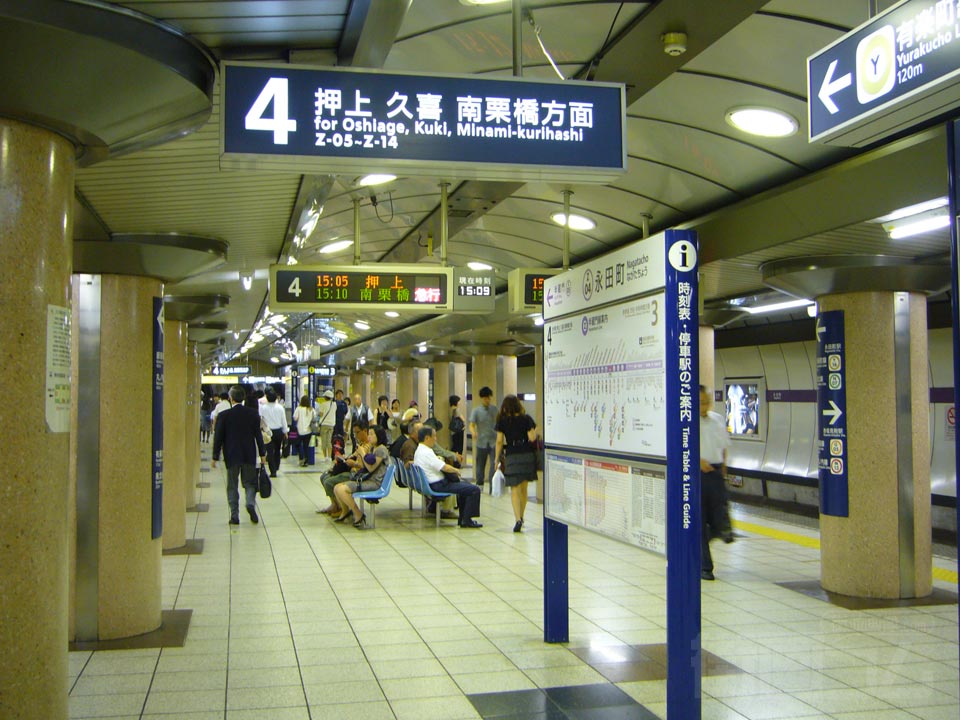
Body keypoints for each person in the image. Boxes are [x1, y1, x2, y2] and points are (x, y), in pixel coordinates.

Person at [211, 385, 267, 525]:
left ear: (231, 398)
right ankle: (250, 503)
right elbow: (258, 435)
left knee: (232, 485)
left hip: (231, 455)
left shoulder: (224, 415)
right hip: (248, 454)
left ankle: (234, 515)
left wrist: (215, 456)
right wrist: (262, 453)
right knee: (249, 483)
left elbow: (219, 437)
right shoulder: (253, 414)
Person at [413, 426, 483, 528]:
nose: (436, 439)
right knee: (474, 489)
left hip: (431, 484)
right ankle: (466, 520)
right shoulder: (426, 452)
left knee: (465, 487)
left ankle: (464, 518)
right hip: (438, 485)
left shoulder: (420, 450)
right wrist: (456, 470)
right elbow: (444, 467)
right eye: (434, 436)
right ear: (427, 438)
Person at [700, 384, 734, 581]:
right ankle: (705, 567)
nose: (704, 406)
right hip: (697, 475)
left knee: (717, 521)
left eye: (706, 402)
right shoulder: (687, 423)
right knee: (699, 521)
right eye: (700, 403)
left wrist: (724, 470)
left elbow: (723, 447)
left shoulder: (717, 420)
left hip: (715, 474)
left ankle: (718, 534)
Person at [494, 395, 539, 533]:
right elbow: (532, 438)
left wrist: (497, 459)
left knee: (514, 489)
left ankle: (517, 519)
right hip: (526, 454)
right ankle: (522, 516)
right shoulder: (527, 419)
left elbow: (500, 441)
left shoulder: (502, 421)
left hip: (512, 455)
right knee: (524, 489)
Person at [333, 425, 391, 528]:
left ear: (379, 435)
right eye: (369, 434)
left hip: (375, 483)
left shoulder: (381, 449)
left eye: (372, 434)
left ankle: (358, 513)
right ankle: (346, 512)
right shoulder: (374, 448)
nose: (369, 436)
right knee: (336, 487)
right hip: (368, 479)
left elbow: (371, 468)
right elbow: (365, 465)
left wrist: (362, 453)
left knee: (342, 490)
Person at [318, 423, 370, 515]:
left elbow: (366, 465)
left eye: (357, 433)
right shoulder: (361, 444)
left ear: (365, 431)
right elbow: (353, 456)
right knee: (324, 476)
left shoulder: (367, 447)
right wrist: (344, 458)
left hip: (357, 474)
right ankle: (335, 504)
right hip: (351, 470)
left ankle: (342, 507)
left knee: (329, 482)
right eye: (354, 433)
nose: (356, 436)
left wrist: (354, 463)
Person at [469, 386, 498, 487]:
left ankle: (492, 485)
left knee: (494, 464)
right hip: (481, 442)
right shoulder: (476, 411)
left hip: (494, 442)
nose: (487, 400)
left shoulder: (495, 410)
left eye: (489, 398)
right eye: (485, 398)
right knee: (480, 465)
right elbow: (471, 425)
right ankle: (479, 484)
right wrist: (473, 432)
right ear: (482, 398)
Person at [259, 388, 288, 477]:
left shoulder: (263, 408)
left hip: (268, 432)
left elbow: (261, 420)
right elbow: (284, 420)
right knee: (277, 450)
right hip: (278, 431)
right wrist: (285, 431)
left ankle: (273, 470)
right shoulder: (280, 407)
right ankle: (276, 466)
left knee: (270, 451)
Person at [292, 396, 316, 467]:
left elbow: (295, 418)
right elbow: (314, 419)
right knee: (306, 446)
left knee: (298, 444)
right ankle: (306, 460)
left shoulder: (298, 409)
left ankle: (301, 458)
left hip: (300, 431)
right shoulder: (311, 409)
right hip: (308, 431)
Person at [316, 389, 337, 462]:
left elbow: (321, 414)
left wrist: (318, 414)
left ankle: (325, 457)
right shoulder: (334, 404)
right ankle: (330, 457)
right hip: (331, 424)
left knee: (324, 441)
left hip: (324, 424)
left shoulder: (323, 404)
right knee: (329, 441)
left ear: (325, 397)